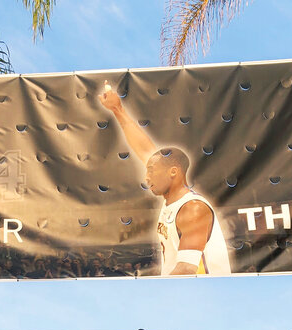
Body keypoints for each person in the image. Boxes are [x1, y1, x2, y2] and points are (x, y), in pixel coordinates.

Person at [98, 82, 232, 276]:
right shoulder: (174, 201)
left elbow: (187, 269)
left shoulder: (193, 209)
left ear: (173, 172)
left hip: (202, 296)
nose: (147, 177)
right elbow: (145, 149)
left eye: (151, 171)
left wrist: (155, 297)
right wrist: (117, 109)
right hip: (181, 293)